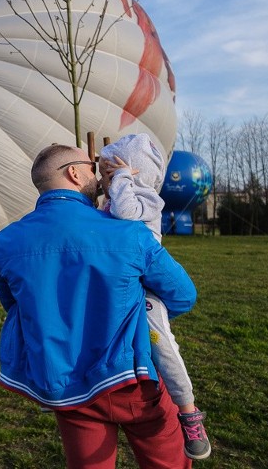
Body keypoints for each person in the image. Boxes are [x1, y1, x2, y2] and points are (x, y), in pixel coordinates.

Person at [0, 143, 197, 468]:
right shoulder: (129, 232)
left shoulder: (7, 240)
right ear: (74, 174)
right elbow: (183, 295)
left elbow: (15, 306)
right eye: (92, 167)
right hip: (133, 381)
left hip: (66, 386)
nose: (98, 177)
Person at [99, 133, 211, 460]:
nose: (105, 181)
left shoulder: (148, 200)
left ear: (135, 174)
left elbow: (125, 215)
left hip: (146, 293)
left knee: (162, 345)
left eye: (110, 174)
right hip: (120, 289)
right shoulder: (113, 199)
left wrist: (120, 179)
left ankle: (188, 411)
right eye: (106, 175)